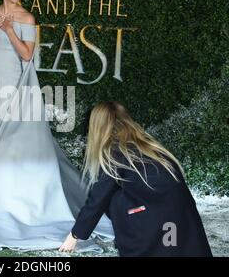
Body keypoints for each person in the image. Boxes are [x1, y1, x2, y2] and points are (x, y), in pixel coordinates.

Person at [0, 0, 114, 253]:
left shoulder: (27, 18)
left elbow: (27, 55)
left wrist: (9, 30)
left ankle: (21, 198)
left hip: (16, 83)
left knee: (16, 140)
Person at [59, 101, 213, 256]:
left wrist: (74, 236)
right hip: (185, 224)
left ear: (97, 127)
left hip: (157, 227)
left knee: (112, 196)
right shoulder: (149, 146)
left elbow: (97, 200)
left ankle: (135, 241)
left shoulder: (114, 152)